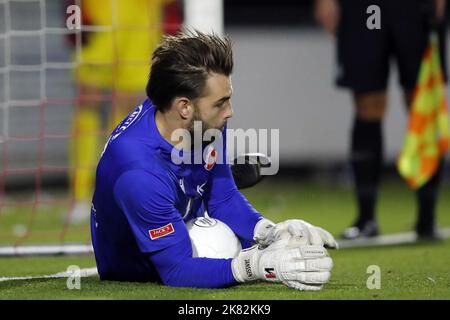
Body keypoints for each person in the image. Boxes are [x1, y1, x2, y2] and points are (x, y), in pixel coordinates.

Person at [90, 31, 337, 290]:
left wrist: (268, 232)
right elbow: (176, 269)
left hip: (183, 216)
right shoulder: (138, 173)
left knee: (215, 232)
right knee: (210, 246)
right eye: (221, 103)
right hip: (138, 265)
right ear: (184, 107)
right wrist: (256, 265)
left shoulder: (201, 121)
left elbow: (222, 197)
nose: (230, 112)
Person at [314, 0, 447, 239]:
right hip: (362, 7)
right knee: (367, 102)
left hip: (414, 8)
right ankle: (366, 219)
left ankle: (427, 216)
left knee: (421, 101)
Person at [68, 0, 181, 223]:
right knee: (89, 103)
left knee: (129, 112)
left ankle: (116, 192)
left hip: (141, 21)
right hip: (100, 18)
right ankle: (81, 194)